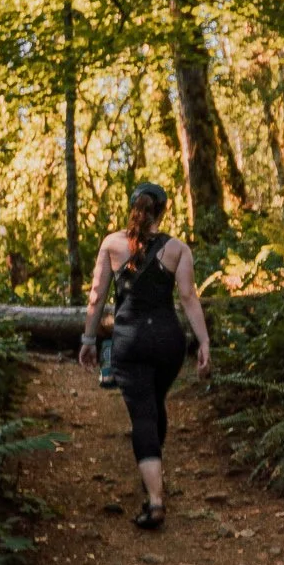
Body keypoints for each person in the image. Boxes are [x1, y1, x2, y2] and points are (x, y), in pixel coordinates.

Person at [78, 183, 212, 530]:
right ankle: (153, 468)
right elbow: (188, 298)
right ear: (163, 211)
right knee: (154, 405)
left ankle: (155, 500)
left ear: (132, 207)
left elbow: (97, 295)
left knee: (142, 415)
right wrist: (204, 342)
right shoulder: (178, 249)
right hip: (169, 342)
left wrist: (89, 338)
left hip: (131, 342)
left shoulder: (111, 244)